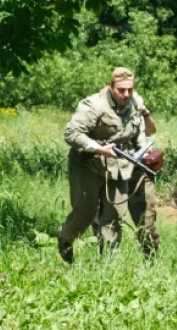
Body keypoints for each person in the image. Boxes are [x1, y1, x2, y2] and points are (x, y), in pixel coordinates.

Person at [57, 67, 154, 263]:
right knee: (83, 216)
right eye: (121, 90)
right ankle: (65, 239)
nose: (126, 94)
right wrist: (98, 148)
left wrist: (145, 151)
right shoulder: (94, 105)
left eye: (130, 89)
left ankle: (108, 267)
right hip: (87, 166)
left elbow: (140, 134)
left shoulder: (136, 102)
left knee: (114, 218)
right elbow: (71, 134)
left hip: (119, 167)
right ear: (111, 88)